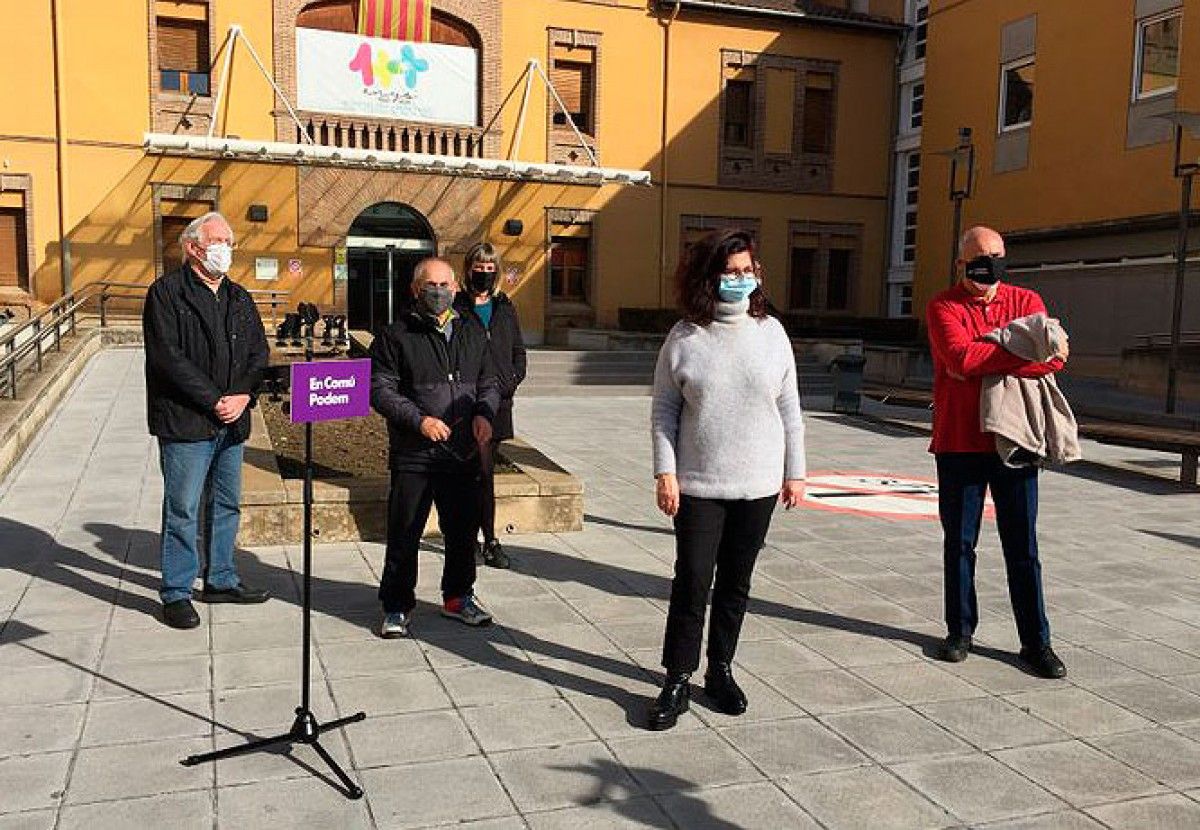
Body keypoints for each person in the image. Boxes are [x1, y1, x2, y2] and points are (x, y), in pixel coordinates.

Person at [648, 229, 806, 730]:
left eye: (748, 270)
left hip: (757, 485)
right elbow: (663, 412)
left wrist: (795, 472)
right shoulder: (685, 337)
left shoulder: (772, 333)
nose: (741, 279)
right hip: (698, 485)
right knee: (693, 580)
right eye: (731, 271)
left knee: (737, 583)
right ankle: (677, 678)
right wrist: (665, 471)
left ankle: (720, 669)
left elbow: (790, 409)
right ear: (709, 276)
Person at [926, 225, 1069, 679]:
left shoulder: (1027, 301)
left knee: (1022, 545)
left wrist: (988, 350)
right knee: (960, 543)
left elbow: (1055, 358)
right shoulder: (942, 306)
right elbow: (958, 360)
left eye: (996, 257)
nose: (988, 266)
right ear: (961, 264)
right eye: (978, 259)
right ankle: (959, 631)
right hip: (960, 440)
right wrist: (1014, 349)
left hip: (1017, 438)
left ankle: (1036, 643)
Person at [143, 211, 271, 630]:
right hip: (186, 422)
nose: (226, 250)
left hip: (232, 423)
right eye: (219, 241)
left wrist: (243, 395)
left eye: (230, 243)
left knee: (226, 503)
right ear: (193, 247)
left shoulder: (238, 296)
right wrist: (215, 399)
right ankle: (177, 592)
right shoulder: (165, 294)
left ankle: (220, 578)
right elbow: (168, 359)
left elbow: (258, 353)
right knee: (182, 508)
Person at [369, 257, 501, 638]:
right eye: (431, 285)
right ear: (415, 289)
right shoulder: (396, 335)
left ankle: (459, 597)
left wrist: (485, 414)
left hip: (461, 453)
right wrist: (419, 420)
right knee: (405, 532)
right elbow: (381, 389)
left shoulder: (473, 331)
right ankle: (396, 605)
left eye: (446, 284)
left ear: (456, 288)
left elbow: (489, 381)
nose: (439, 292)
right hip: (415, 454)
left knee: (462, 532)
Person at [455, 242, 527, 570]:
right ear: (469, 269)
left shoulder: (504, 307)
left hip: (499, 402)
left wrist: (508, 383)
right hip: (466, 403)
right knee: (473, 473)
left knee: (486, 475)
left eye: (490, 267)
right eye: (478, 267)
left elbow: (518, 353)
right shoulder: (457, 307)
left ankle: (489, 540)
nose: (484, 273)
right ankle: (470, 539)